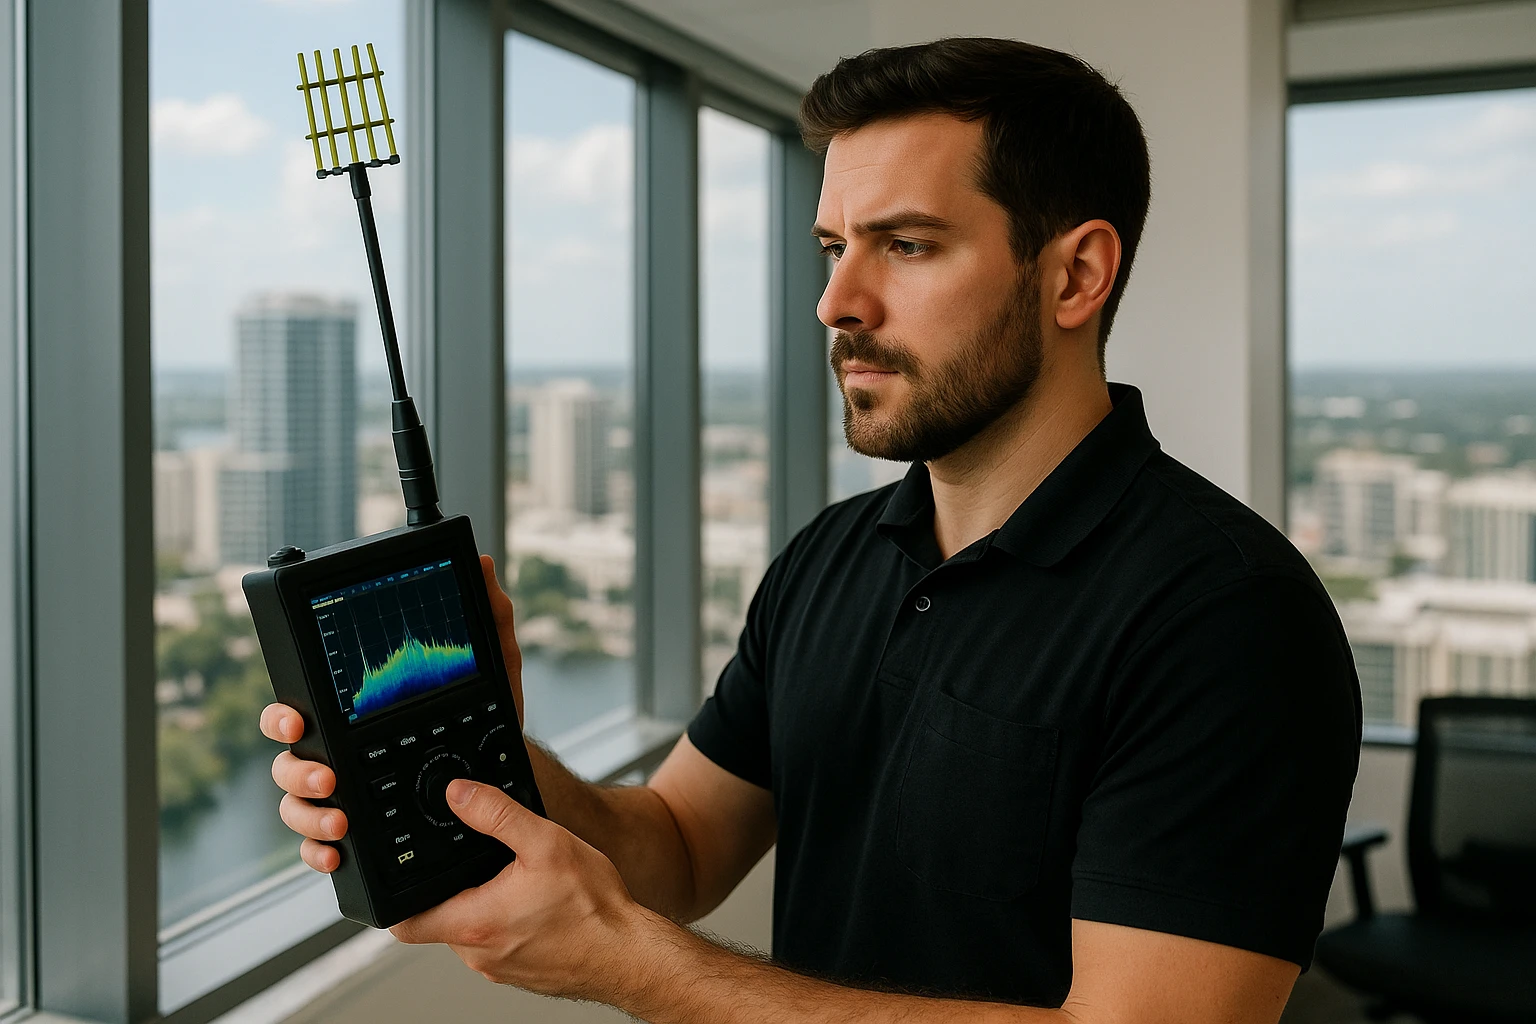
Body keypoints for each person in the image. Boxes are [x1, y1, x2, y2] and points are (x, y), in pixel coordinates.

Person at [261, 37, 1361, 1023]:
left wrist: (630, 965)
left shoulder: (1225, 617)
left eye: (908, 245)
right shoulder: (830, 558)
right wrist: (494, 754)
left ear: (1075, 274)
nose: (838, 301)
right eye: (832, 246)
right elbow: (678, 850)